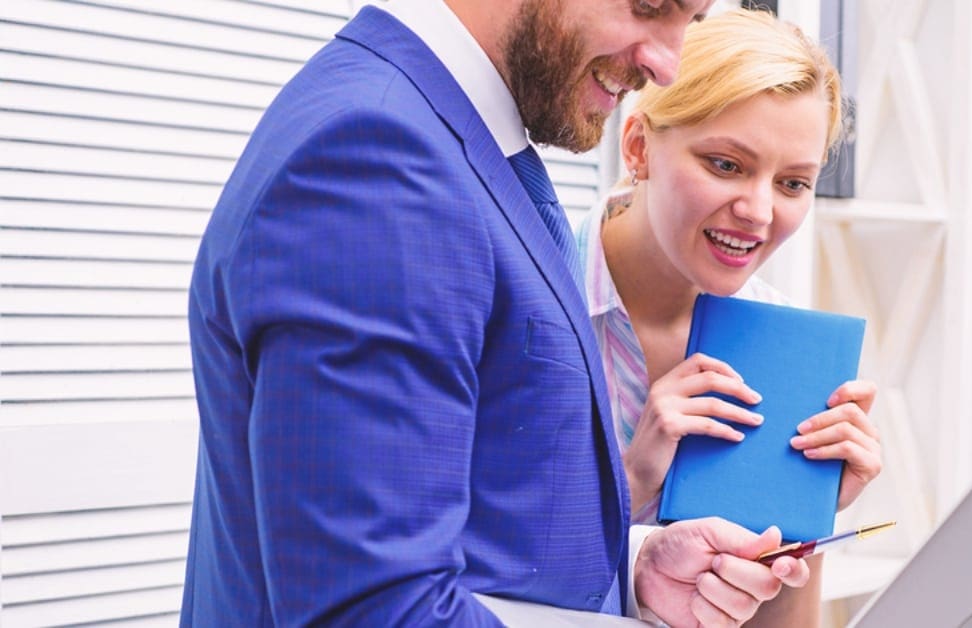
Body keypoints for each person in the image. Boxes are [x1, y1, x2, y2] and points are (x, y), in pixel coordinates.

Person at [182, 1, 811, 626]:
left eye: (691, 22)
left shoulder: (451, 140)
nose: (667, 64)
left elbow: (465, 536)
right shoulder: (380, 156)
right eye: (649, 6)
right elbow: (377, 609)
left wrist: (635, 571)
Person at [576, 9, 884, 626]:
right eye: (726, 164)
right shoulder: (532, 290)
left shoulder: (784, 341)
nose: (759, 210)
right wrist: (635, 476)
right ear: (638, 146)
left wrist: (806, 518)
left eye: (793, 183)